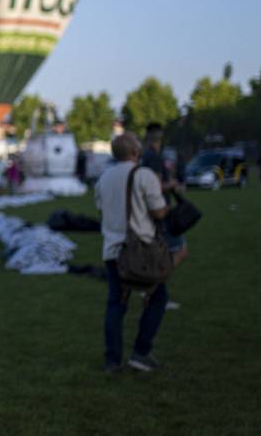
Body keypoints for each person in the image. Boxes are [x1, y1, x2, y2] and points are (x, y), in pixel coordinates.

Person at [95, 132, 170, 373]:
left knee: (116, 305)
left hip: (112, 250)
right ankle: (141, 351)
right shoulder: (143, 174)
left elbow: (102, 212)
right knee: (158, 297)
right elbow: (158, 212)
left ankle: (112, 360)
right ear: (136, 152)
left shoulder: (103, 179)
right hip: (141, 251)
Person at [142, 123, 188, 269]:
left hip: (150, 208)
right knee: (181, 249)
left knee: (158, 248)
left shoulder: (145, 156)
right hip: (161, 208)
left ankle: (152, 281)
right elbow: (156, 186)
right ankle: (155, 279)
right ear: (160, 137)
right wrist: (173, 184)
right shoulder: (154, 157)